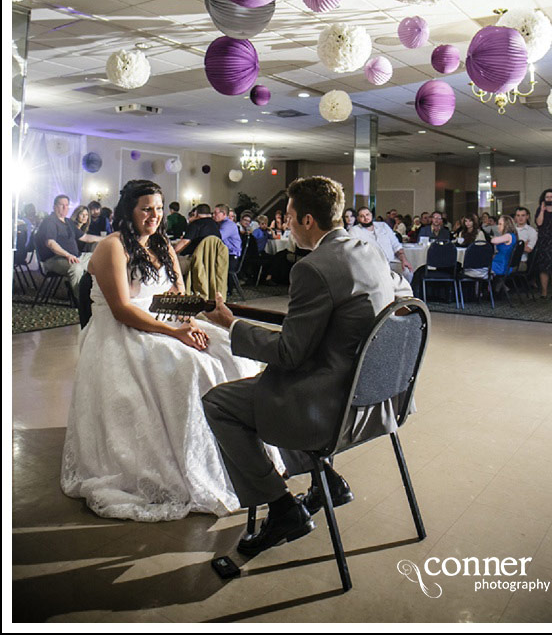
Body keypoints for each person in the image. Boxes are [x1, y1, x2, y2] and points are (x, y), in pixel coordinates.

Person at [202, 176, 413, 556]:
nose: (285, 223)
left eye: (289, 216)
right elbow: (404, 294)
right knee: (277, 383)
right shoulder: (367, 250)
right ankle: (326, 481)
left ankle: (282, 508)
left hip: (330, 408)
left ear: (308, 221)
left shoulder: (312, 268)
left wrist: (231, 324)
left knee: (220, 402)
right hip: (377, 396)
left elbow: (289, 353)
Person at [60, 179, 283, 522]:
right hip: (124, 330)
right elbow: (122, 308)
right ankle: (188, 462)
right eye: (146, 209)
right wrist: (175, 333)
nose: (154, 216)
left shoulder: (162, 243)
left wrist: (191, 319)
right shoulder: (112, 246)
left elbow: (177, 294)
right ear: (128, 211)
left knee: (230, 351)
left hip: (166, 320)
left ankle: (244, 459)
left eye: (159, 208)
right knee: (192, 367)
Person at [35, 195, 94, 297]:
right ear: (54, 207)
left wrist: (108, 238)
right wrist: (67, 255)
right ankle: (80, 300)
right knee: (76, 267)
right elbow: (50, 243)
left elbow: (85, 237)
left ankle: (99, 295)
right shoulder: (50, 221)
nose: (65, 208)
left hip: (76, 256)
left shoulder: (68, 222)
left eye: (67, 205)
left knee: (101, 258)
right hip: (54, 259)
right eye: (61, 205)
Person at [352, 207, 413, 280]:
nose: (366, 218)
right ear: (358, 219)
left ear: (371, 215)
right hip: (372, 266)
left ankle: (403, 291)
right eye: (362, 216)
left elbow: (396, 246)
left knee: (407, 272)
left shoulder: (383, 226)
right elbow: (353, 252)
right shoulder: (354, 231)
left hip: (391, 262)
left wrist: (404, 260)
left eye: (367, 214)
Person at [173, 203, 222, 277]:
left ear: (196, 214)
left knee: (169, 266)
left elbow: (184, 243)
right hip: (212, 260)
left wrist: (171, 253)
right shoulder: (216, 225)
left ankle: (179, 288)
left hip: (195, 259)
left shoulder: (196, 224)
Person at [213, 203, 242, 277]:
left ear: (223, 214)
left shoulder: (229, 225)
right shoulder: (219, 224)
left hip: (231, 255)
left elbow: (218, 237)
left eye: (216, 213)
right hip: (224, 253)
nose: (213, 215)